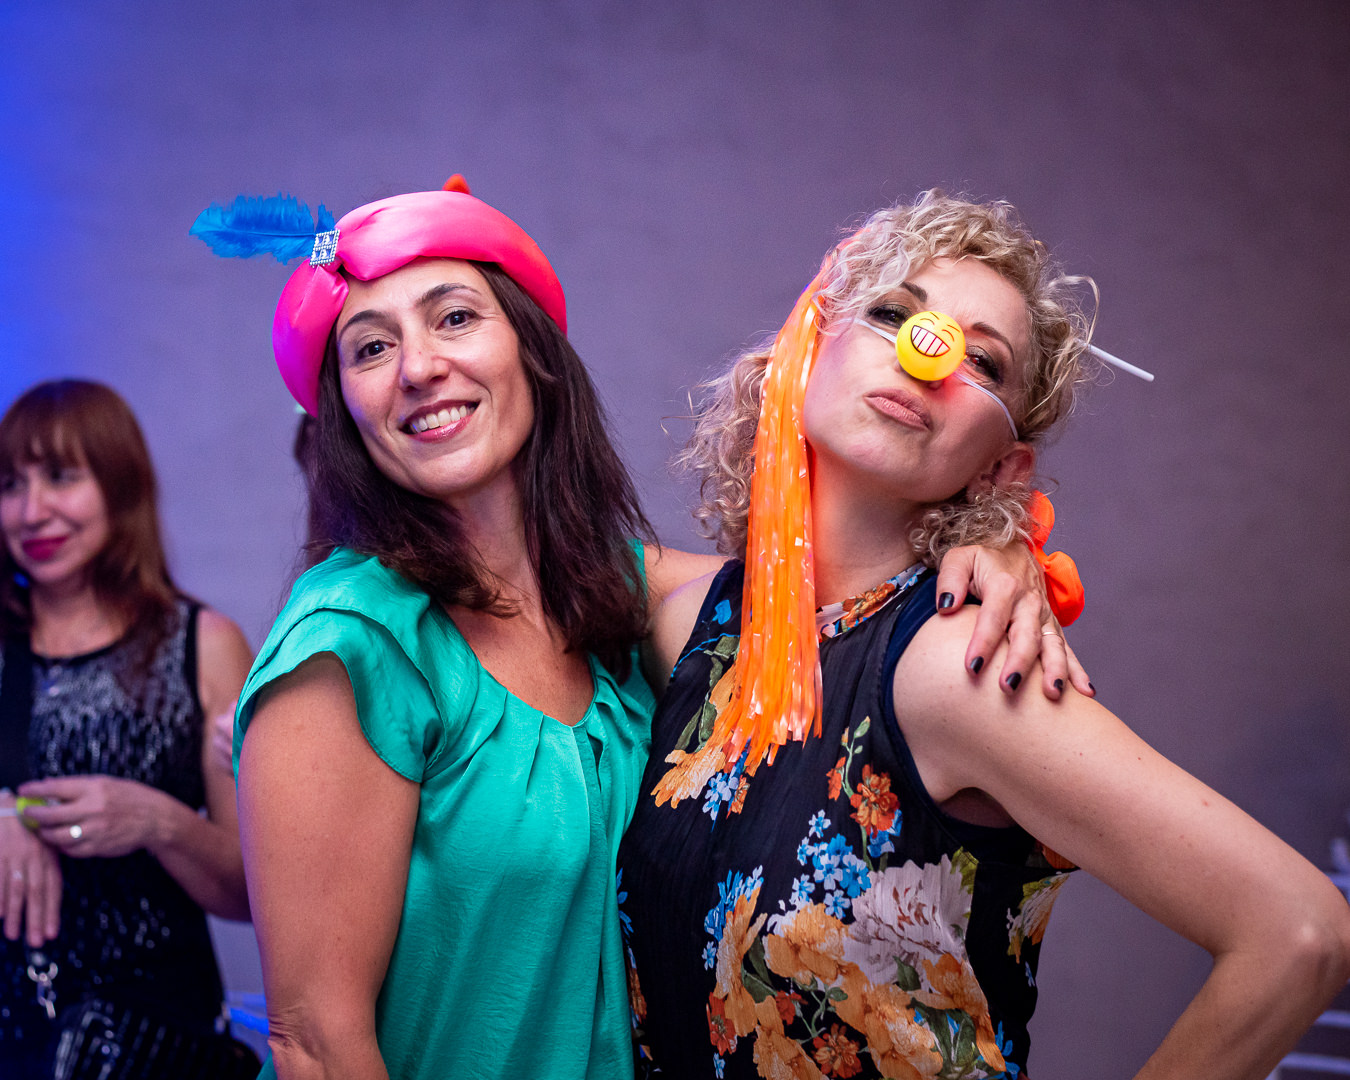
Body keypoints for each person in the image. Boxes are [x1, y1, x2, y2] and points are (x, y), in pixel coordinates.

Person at [198, 178, 1077, 1080]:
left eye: (454, 318)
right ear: (345, 407)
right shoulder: (348, 645)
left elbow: (825, 596)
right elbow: (315, 1042)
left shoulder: (615, 601)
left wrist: (996, 544)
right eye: (371, 347)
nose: (418, 366)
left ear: (532, 352)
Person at [616, 191, 1350, 1079]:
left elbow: (1298, 932)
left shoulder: (958, 668)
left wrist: (1006, 541)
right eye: (894, 313)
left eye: (983, 362)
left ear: (1002, 466)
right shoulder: (689, 624)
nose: (926, 356)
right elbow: (520, 554)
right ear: (804, 349)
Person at [0, 379, 255, 1078]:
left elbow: (254, 891)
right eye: (11, 485)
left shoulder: (203, 644)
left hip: (160, 1042)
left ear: (120, 485)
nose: (32, 510)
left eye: (61, 477)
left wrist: (158, 821)